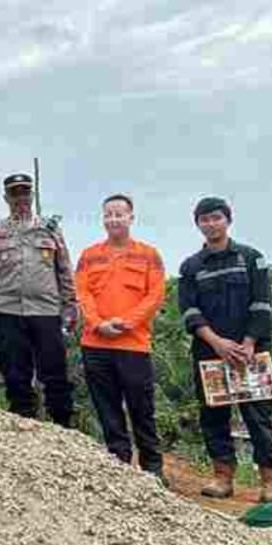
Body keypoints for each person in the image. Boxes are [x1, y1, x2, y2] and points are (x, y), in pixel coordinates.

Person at [178, 196, 272, 503]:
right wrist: (217, 342)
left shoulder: (251, 258)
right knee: (213, 416)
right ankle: (222, 477)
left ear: (228, 220)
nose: (211, 224)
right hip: (209, 353)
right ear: (197, 224)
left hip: (250, 353)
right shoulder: (191, 267)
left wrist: (249, 342)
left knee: (258, 417)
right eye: (204, 219)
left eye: (216, 218)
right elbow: (189, 311)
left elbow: (262, 303)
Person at [75, 194, 166, 479]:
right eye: (108, 214)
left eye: (119, 214)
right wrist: (98, 323)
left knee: (142, 409)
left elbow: (155, 295)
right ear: (103, 218)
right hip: (95, 344)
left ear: (131, 217)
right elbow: (82, 293)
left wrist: (126, 323)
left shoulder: (149, 255)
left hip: (134, 346)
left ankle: (152, 468)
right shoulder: (89, 255)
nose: (113, 219)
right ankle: (119, 466)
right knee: (107, 408)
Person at [0, 173, 78, 426]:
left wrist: (70, 305)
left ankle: (62, 424)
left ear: (32, 195)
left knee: (55, 370)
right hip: (7, 310)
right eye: (15, 193)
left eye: (25, 192)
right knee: (14, 373)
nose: (20, 198)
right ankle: (23, 424)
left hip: (45, 310)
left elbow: (64, 270)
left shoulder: (50, 228)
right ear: (6, 198)